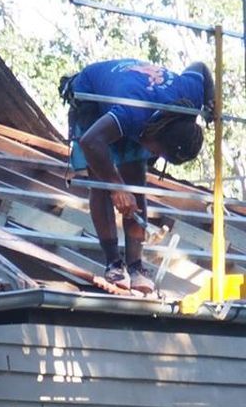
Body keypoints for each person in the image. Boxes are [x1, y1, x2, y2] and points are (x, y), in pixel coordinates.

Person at [62, 58, 211, 295]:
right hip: (92, 95)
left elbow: (200, 67)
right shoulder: (132, 112)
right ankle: (113, 262)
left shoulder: (189, 98)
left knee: (135, 179)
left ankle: (135, 265)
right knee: (101, 180)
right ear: (158, 132)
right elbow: (92, 142)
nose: (155, 155)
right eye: (157, 151)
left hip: (136, 100)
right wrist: (115, 186)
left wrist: (212, 103)